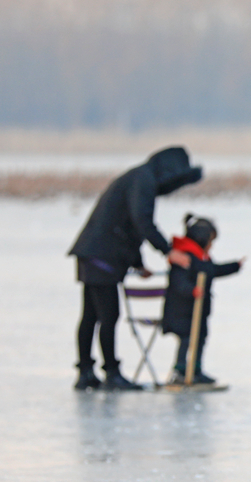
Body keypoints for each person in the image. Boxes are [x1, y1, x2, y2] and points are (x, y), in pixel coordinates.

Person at [69, 146, 202, 391]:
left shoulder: (139, 177)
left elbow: (127, 224)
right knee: (107, 316)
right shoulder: (144, 180)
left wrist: (138, 264)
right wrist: (167, 250)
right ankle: (111, 372)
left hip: (91, 252)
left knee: (90, 316)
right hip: (102, 256)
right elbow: (142, 221)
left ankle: (86, 371)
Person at [161, 214, 244, 385]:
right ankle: (180, 370)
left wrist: (235, 266)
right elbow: (178, 282)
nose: (212, 246)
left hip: (199, 312)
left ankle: (196, 369)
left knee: (200, 339)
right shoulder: (184, 258)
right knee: (186, 339)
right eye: (210, 241)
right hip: (181, 311)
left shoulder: (201, 259)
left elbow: (213, 270)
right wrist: (192, 290)